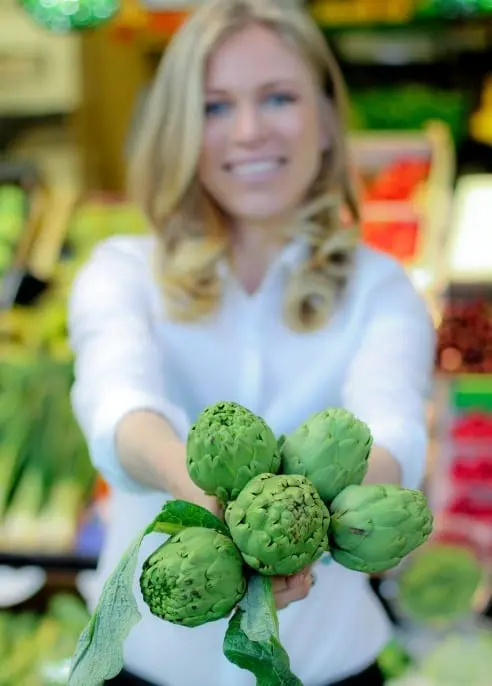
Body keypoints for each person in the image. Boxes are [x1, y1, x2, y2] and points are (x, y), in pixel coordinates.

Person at [68, 1, 436, 684]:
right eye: (213, 107)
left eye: (278, 97)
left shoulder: (383, 289)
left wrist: (312, 535)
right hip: (149, 665)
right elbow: (116, 399)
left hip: (329, 664)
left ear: (327, 119)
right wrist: (194, 489)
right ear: (179, 128)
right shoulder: (120, 272)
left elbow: (395, 428)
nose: (248, 131)